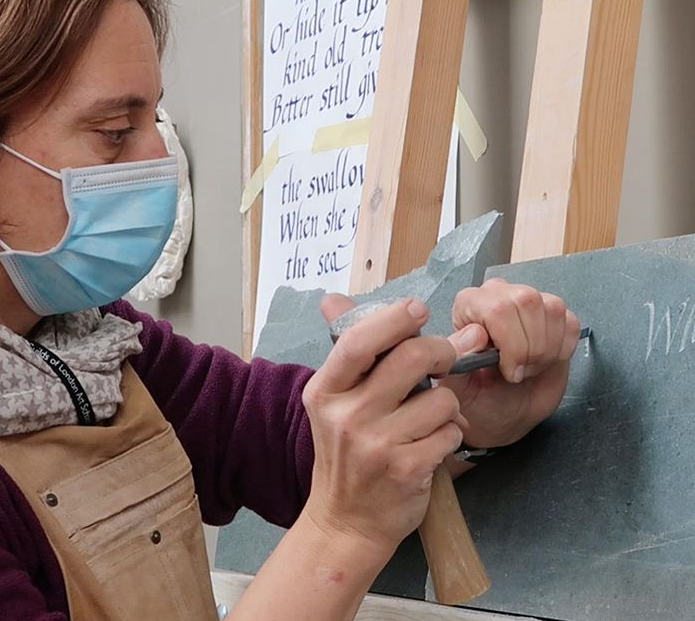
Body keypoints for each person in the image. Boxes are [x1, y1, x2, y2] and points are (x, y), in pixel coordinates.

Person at [0, 1, 580, 620]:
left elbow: (278, 436)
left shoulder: (89, 345)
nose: (158, 164)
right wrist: (345, 530)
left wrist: (458, 412)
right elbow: (338, 495)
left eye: (155, 119)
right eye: (115, 132)